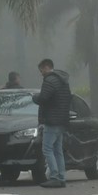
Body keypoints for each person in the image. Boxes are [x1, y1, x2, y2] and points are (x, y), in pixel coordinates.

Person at [31, 58, 72, 188]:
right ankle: (61, 177)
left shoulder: (50, 80)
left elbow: (43, 98)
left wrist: (34, 97)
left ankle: (54, 176)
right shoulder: (63, 81)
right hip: (62, 120)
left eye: (41, 70)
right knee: (57, 150)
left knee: (47, 149)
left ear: (46, 67)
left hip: (52, 120)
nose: (41, 73)